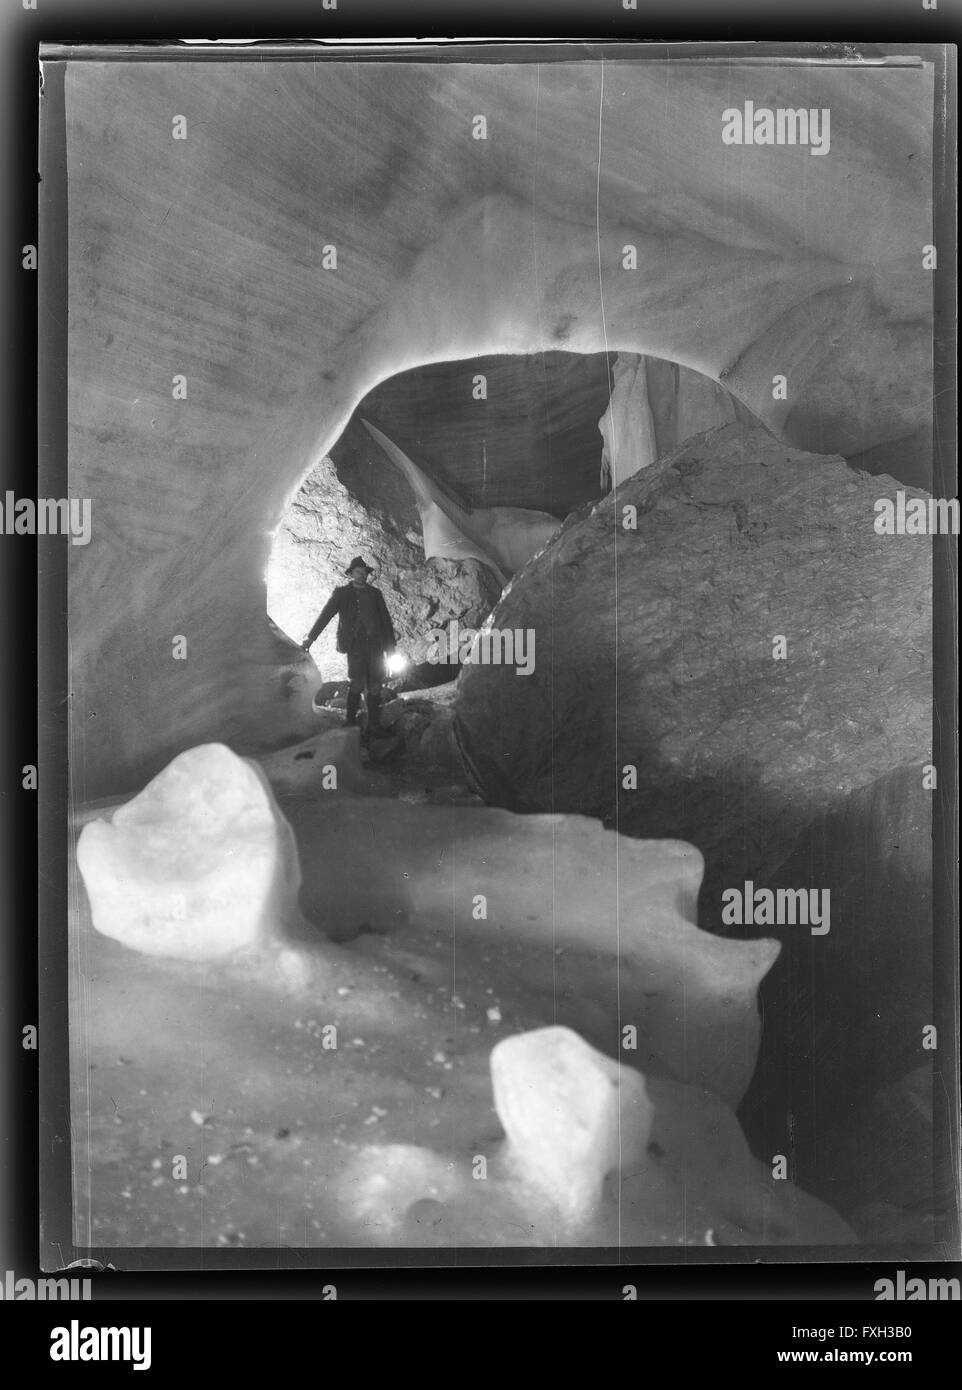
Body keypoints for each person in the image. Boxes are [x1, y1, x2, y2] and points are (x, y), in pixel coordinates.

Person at [301, 557, 397, 737]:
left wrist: (390, 648)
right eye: (358, 571)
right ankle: (351, 721)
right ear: (351, 574)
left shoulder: (375, 594)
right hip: (355, 645)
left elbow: (385, 621)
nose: (361, 575)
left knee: (375, 684)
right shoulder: (342, 593)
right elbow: (325, 615)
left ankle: (374, 725)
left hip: (375, 644)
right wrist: (310, 639)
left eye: (364, 572)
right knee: (357, 683)